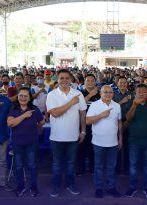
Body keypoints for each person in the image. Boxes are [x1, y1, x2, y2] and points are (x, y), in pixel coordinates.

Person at [46, 69, 87, 197]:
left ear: (71, 80)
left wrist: (83, 131)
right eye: (61, 78)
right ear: (57, 80)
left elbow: (83, 114)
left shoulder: (78, 94)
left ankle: (70, 184)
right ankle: (56, 186)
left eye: (67, 78)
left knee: (70, 164)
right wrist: (70, 103)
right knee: (57, 164)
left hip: (73, 136)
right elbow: (55, 113)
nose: (64, 80)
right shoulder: (52, 95)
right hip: (57, 136)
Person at [123, 84, 147, 199]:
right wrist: (134, 104)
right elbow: (128, 119)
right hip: (134, 141)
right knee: (133, 166)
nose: (141, 93)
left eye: (144, 92)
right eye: (139, 91)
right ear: (135, 92)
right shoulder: (130, 104)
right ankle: (132, 186)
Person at [7, 87, 45, 197]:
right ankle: (20, 186)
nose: (23, 98)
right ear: (17, 97)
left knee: (32, 165)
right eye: (21, 95)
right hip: (17, 143)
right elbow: (10, 124)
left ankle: (33, 186)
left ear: (29, 98)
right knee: (18, 166)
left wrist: (37, 126)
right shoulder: (13, 109)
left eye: (26, 96)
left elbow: (42, 121)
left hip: (32, 142)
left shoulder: (35, 109)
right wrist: (24, 115)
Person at [86, 85, 123, 198]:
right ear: (100, 93)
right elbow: (87, 121)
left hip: (113, 142)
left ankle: (111, 187)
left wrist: (120, 138)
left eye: (110, 92)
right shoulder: (95, 105)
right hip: (98, 142)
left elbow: (119, 122)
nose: (108, 94)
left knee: (111, 166)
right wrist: (101, 115)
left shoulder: (116, 106)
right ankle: (99, 188)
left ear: (113, 93)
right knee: (99, 166)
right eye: (105, 92)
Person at [77, 74, 100, 176]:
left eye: (92, 80)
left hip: (96, 124)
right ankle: (80, 168)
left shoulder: (100, 94)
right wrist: (90, 95)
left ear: (95, 82)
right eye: (88, 80)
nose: (90, 82)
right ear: (84, 82)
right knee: (80, 147)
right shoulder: (79, 93)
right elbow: (77, 106)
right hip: (81, 124)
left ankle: (92, 168)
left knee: (93, 147)